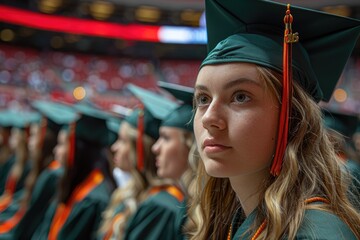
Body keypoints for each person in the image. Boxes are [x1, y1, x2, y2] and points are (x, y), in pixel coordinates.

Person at [190, 0, 360, 239]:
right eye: (203, 99)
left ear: (293, 117)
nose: (209, 118)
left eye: (240, 97)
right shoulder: (234, 219)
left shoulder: (316, 234)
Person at [98, 84, 180, 240]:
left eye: (123, 141)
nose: (114, 147)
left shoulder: (160, 206)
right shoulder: (130, 192)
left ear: (141, 149)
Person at [31, 102, 115, 240]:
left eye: (63, 144)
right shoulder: (77, 186)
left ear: (78, 149)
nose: (56, 150)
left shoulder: (93, 198)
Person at [122, 83, 196, 240]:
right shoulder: (182, 206)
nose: (155, 148)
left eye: (166, 138)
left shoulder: (165, 206)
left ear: (191, 148)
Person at [0, 100, 79, 239]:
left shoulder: (53, 175)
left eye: (35, 135)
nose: (30, 142)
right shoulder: (45, 172)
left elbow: (28, 224)